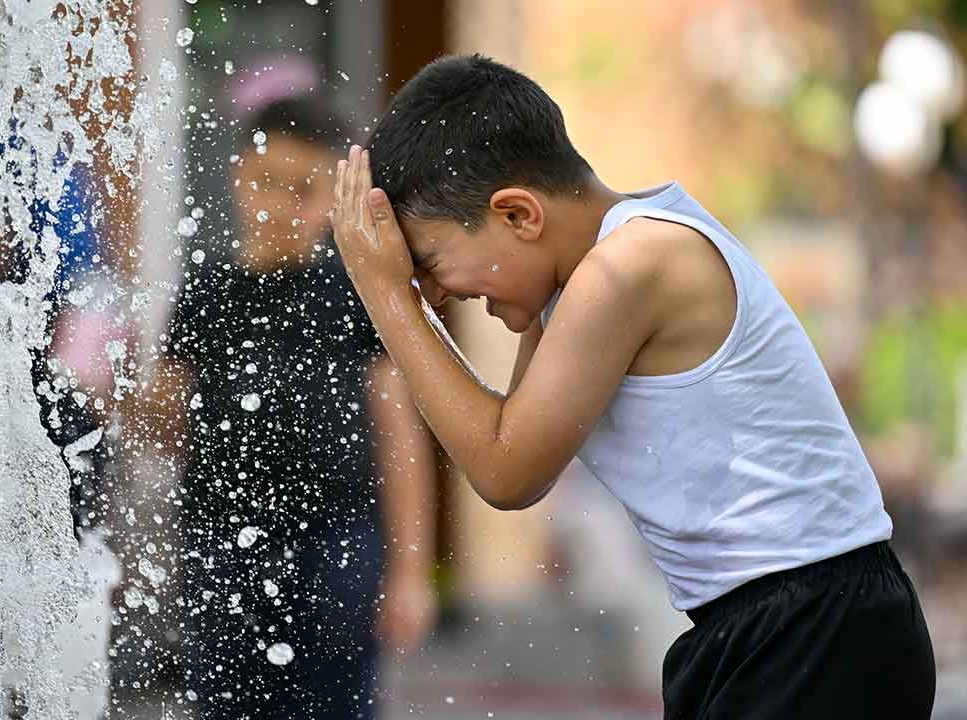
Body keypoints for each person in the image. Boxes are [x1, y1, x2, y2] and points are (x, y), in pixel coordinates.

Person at [330, 54, 936, 718]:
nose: (438, 293)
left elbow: (504, 470)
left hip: (818, 624)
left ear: (519, 215)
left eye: (432, 264)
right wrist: (401, 293)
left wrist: (386, 295)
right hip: (764, 623)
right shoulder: (579, 278)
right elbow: (510, 458)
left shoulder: (630, 267)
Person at [152, 96, 438, 719]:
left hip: (338, 541)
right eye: (266, 184)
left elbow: (398, 436)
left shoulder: (356, 293)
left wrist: (411, 572)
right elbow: (163, 424)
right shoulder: (206, 294)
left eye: (302, 190)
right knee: (228, 703)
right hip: (222, 539)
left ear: (333, 201)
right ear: (236, 178)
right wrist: (127, 392)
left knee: (335, 703)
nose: (280, 207)